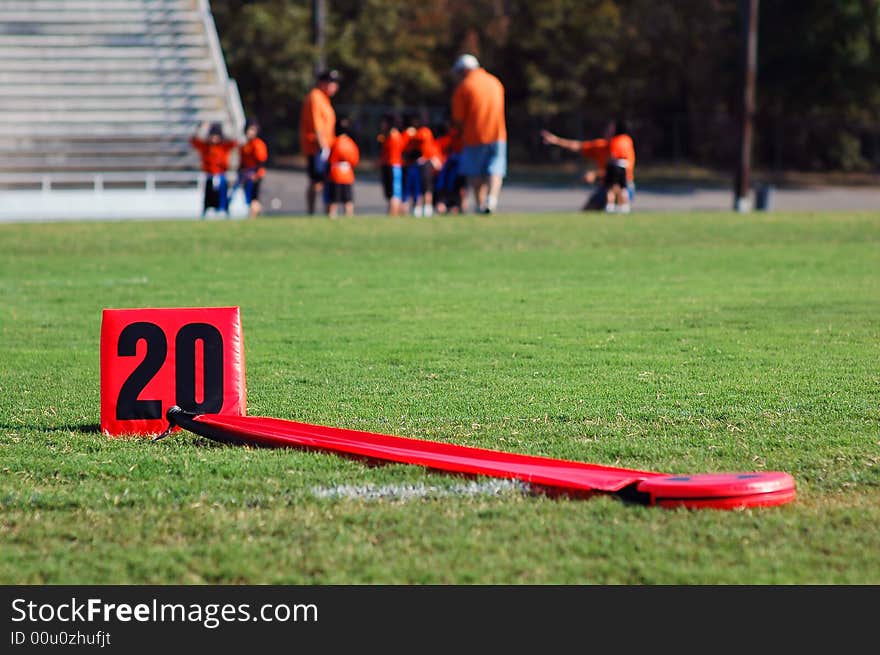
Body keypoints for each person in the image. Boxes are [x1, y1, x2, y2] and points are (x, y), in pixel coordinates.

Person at [450, 53, 507, 214]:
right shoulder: (495, 82)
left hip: (474, 135)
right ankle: (492, 200)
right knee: (496, 168)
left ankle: (480, 204)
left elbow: (458, 118)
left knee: (475, 172)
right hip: (498, 134)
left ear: (464, 70)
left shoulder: (465, 87)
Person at [541, 120, 636, 212]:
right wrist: (556, 140)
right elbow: (578, 146)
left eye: (610, 128)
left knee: (614, 195)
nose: (607, 130)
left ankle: (617, 208)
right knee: (588, 211)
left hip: (624, 186)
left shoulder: (622, 142)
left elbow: (619, 171)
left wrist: (595, 175)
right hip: (605, 187)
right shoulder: (600, 146)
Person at [299, 69, 340, 215]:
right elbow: (316, 124)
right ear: (323, 83)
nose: (335, 87)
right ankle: (311, 212)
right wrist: (323, 147)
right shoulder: (315, 97)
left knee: (326, 180)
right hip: (316, 146)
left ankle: (328, 211)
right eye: (331, 83)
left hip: (326, 146)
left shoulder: (325, 99)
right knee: (317, 180)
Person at [190, 121, 237, 218]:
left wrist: (227, 131)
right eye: (213, 136)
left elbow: (234, 141)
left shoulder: (224, 146)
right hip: (209, 176)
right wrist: (199, 128)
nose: (214, 138)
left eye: (217, 136)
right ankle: (207, 211)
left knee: (222, 195)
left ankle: (223, 210)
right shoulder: (205, 147)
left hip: (221, 176)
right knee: (208, 195)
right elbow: (193, 140)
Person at [401, 112, 439, 217]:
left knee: (426, 187)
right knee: (417, 187)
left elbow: (420, 141)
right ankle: (417, 207)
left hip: (425, 162)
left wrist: (412, 135)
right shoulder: (413, 134)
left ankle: (427, 207)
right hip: (416, 164)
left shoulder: (424, 132)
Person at [326, 117, 360, 218]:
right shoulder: (351, 143)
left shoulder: (335, 142)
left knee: (333, 200)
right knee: (348, 200)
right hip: (348, 175)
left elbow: (330, 158)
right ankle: (349, 217)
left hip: (335, 174)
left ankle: (332, 217)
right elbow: (355, 160)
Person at [235, 119, 269, 219]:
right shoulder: (245, 145)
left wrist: (256, 174)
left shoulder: (258, 144)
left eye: (253, 130)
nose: (250, 132)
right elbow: (242, 162)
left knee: (254, 197)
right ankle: (254, 215)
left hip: (255, 174)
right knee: (249, 198)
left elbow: (261, 161)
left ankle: (253, 217)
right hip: (246, 174)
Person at [603, 120, 636, 213]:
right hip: (624, 166)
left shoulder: (614, 140)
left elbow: (612, 155)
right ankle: (624, 207)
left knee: (611, 188)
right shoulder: (627, 139)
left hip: (615, 165)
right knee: (623, 188)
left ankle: (610, 206)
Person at [377, 112, 405, 216]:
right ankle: (394, 212)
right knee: (391, 193)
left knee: (394, 192)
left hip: (393, 166)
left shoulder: (394, 136)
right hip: (389, 165)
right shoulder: (387, 136)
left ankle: (393, 213)